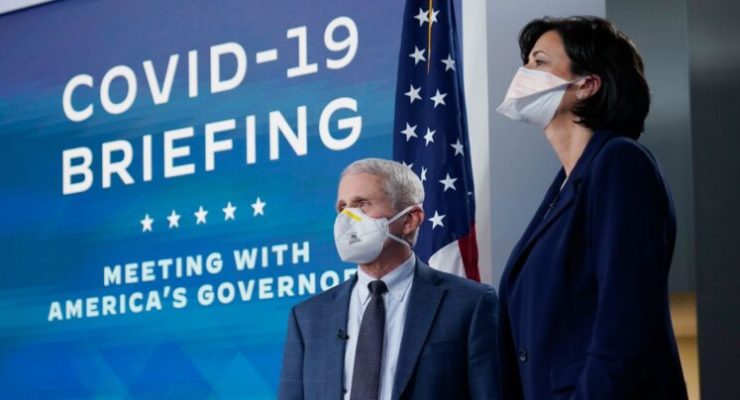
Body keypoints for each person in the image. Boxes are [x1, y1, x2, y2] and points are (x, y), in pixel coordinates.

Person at [495, 16, 688, 399]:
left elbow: (625, 316)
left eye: (539, 61)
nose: (524, 73)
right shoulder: (564, 187)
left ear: (587, 84)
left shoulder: (620, 162)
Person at [278, 158, 499, 400]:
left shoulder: (470, 303)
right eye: (342, 208)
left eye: (362, 204)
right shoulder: (308, 317)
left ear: (409, 220)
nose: (347, 218)